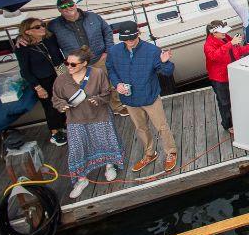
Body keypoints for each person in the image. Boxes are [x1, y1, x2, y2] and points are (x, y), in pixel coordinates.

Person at [106, 21, 177, 173]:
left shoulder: (152, 50)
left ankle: (171, 152)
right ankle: (149, 154)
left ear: (138, 34)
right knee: (140, 128)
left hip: (149, 96)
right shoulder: (114, 51)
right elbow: (110, 69)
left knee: (161, 127)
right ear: (121, 38)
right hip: (129, 99)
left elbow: (167, 72)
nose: (130, 41)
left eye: (132, 37)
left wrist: (165, 62)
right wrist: (117, 84)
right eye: (126, 39)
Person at [52, 47, 124, 199]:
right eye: (67, 63)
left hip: (99, 116)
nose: (68, 67)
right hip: (75, 119)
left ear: (84, 63)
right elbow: (56, 98)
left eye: (73, 64)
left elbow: (107, 93)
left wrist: (98, 99)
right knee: (77, 149)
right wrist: (61, 105)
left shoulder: (97, 73)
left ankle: (110, 166)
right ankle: (81, 179)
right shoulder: (61, 79)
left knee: (105, 142)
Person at [47, 0, 126, 116]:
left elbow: (107, 31)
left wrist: (108, 51)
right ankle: (97, 111)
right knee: (86, 89)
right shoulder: (54, 25)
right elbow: (47, 42)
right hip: (77, 64)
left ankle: (117, 107)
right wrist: (20, 39)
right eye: (63, 7)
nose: (68, 8)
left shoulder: (93, 17)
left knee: (111, 83)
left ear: (75, 5)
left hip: (99, 57)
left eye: (70, 5)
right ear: (59, 10)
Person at [15, 18, 67, 146]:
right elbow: (25, 71)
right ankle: (55, 133)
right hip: (42, 80)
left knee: (63, 100)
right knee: (50, 106)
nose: (42, 28)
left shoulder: (49, 38)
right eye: (37, 27)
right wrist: (38, 87)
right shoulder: (23, 48)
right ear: (28, 32)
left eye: (42, 25)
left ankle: (64, 125)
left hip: (59, 74)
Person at [204, 20, 249, 133]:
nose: (225, 33)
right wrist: (230, 44)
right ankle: (228, 125)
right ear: (214, 33)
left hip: (234, 74)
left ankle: (240, 119)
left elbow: (238, 51)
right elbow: (214, 57)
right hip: (220, 79)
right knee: (224, 103)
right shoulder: (208, 45)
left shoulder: (227, 38)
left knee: (238, 98)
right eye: (222, 32)